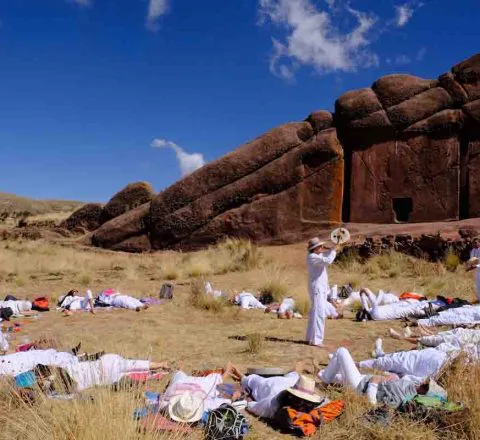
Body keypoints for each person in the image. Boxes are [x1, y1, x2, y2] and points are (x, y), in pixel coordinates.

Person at [319, 347, 424, 406]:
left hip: (359, 385)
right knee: (334, 374)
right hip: (363, 380)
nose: (422, 383)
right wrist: (389, 378)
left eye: (424, 386)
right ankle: (329, 369)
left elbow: (372, 403)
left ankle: (323, 383)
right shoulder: (411, 388)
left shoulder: (401, 397)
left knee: (341, 352)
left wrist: (374, 382)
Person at [227, 362, 322, 418]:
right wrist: (248, 399)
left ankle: (298, 365)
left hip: (288, 381)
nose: (301, 406)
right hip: (268, 385)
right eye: (300, 402)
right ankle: (236, 372)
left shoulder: (296, 382)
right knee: (249, 380)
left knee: (294, 374)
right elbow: (252, 406)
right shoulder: (273, 404)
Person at [306, 237, 339, 347]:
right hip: (317, 289)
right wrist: (334, 250)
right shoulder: (312, 257)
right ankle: (316, 340)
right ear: (315, 248)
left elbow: (326, 255)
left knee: (315, 313)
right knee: (319, 313)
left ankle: (310, 338)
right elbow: (328, 260)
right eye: (319, 246)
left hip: (320, 289)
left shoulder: (317, 256)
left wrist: (334, 247)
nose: (321, 247)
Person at [358, 288, 435, 321]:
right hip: (398, 311)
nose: (364, 310)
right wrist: (365, 290)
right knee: (415, 309)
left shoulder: (370, 312)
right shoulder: (375, 314)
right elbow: (373, 301)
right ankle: (436, 309)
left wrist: (361, 294)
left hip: (396, 306)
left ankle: (430, 303)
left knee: (412, 303)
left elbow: (365, 305)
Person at [466, 237, 480, 302]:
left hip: (477, 268)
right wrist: (468, 266)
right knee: (477, 285)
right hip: (477, 271)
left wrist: (474, 266)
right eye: (473, 243)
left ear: (479, 243)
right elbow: (471, 260)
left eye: (476, 242)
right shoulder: (472, 250)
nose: (474, 244)